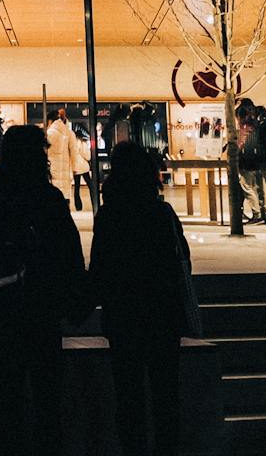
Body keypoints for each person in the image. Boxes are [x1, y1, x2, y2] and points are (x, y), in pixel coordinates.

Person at [0, 123, 89, 456]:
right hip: (42, 305)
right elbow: (69, 251)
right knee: (47, 396)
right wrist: (77, 295)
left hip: (6, 304)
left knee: (7, 395)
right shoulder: (47, 197)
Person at [89, 140, 191, 456]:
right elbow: (182, 260)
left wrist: (81, 302)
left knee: (129, 394)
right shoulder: (162, 213)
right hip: (163, 316)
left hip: (124, 317)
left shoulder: (110, 215)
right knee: (166, 395)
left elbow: (100, 269)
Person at [44, 107, 77, 205]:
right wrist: (74, 169)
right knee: (65, 196)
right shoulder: (69, 133)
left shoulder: (49, 133)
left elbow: (45, 153)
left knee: (53, 196)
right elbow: (74, 152)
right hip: (66, 171)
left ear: (50, 121)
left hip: (53, 170)